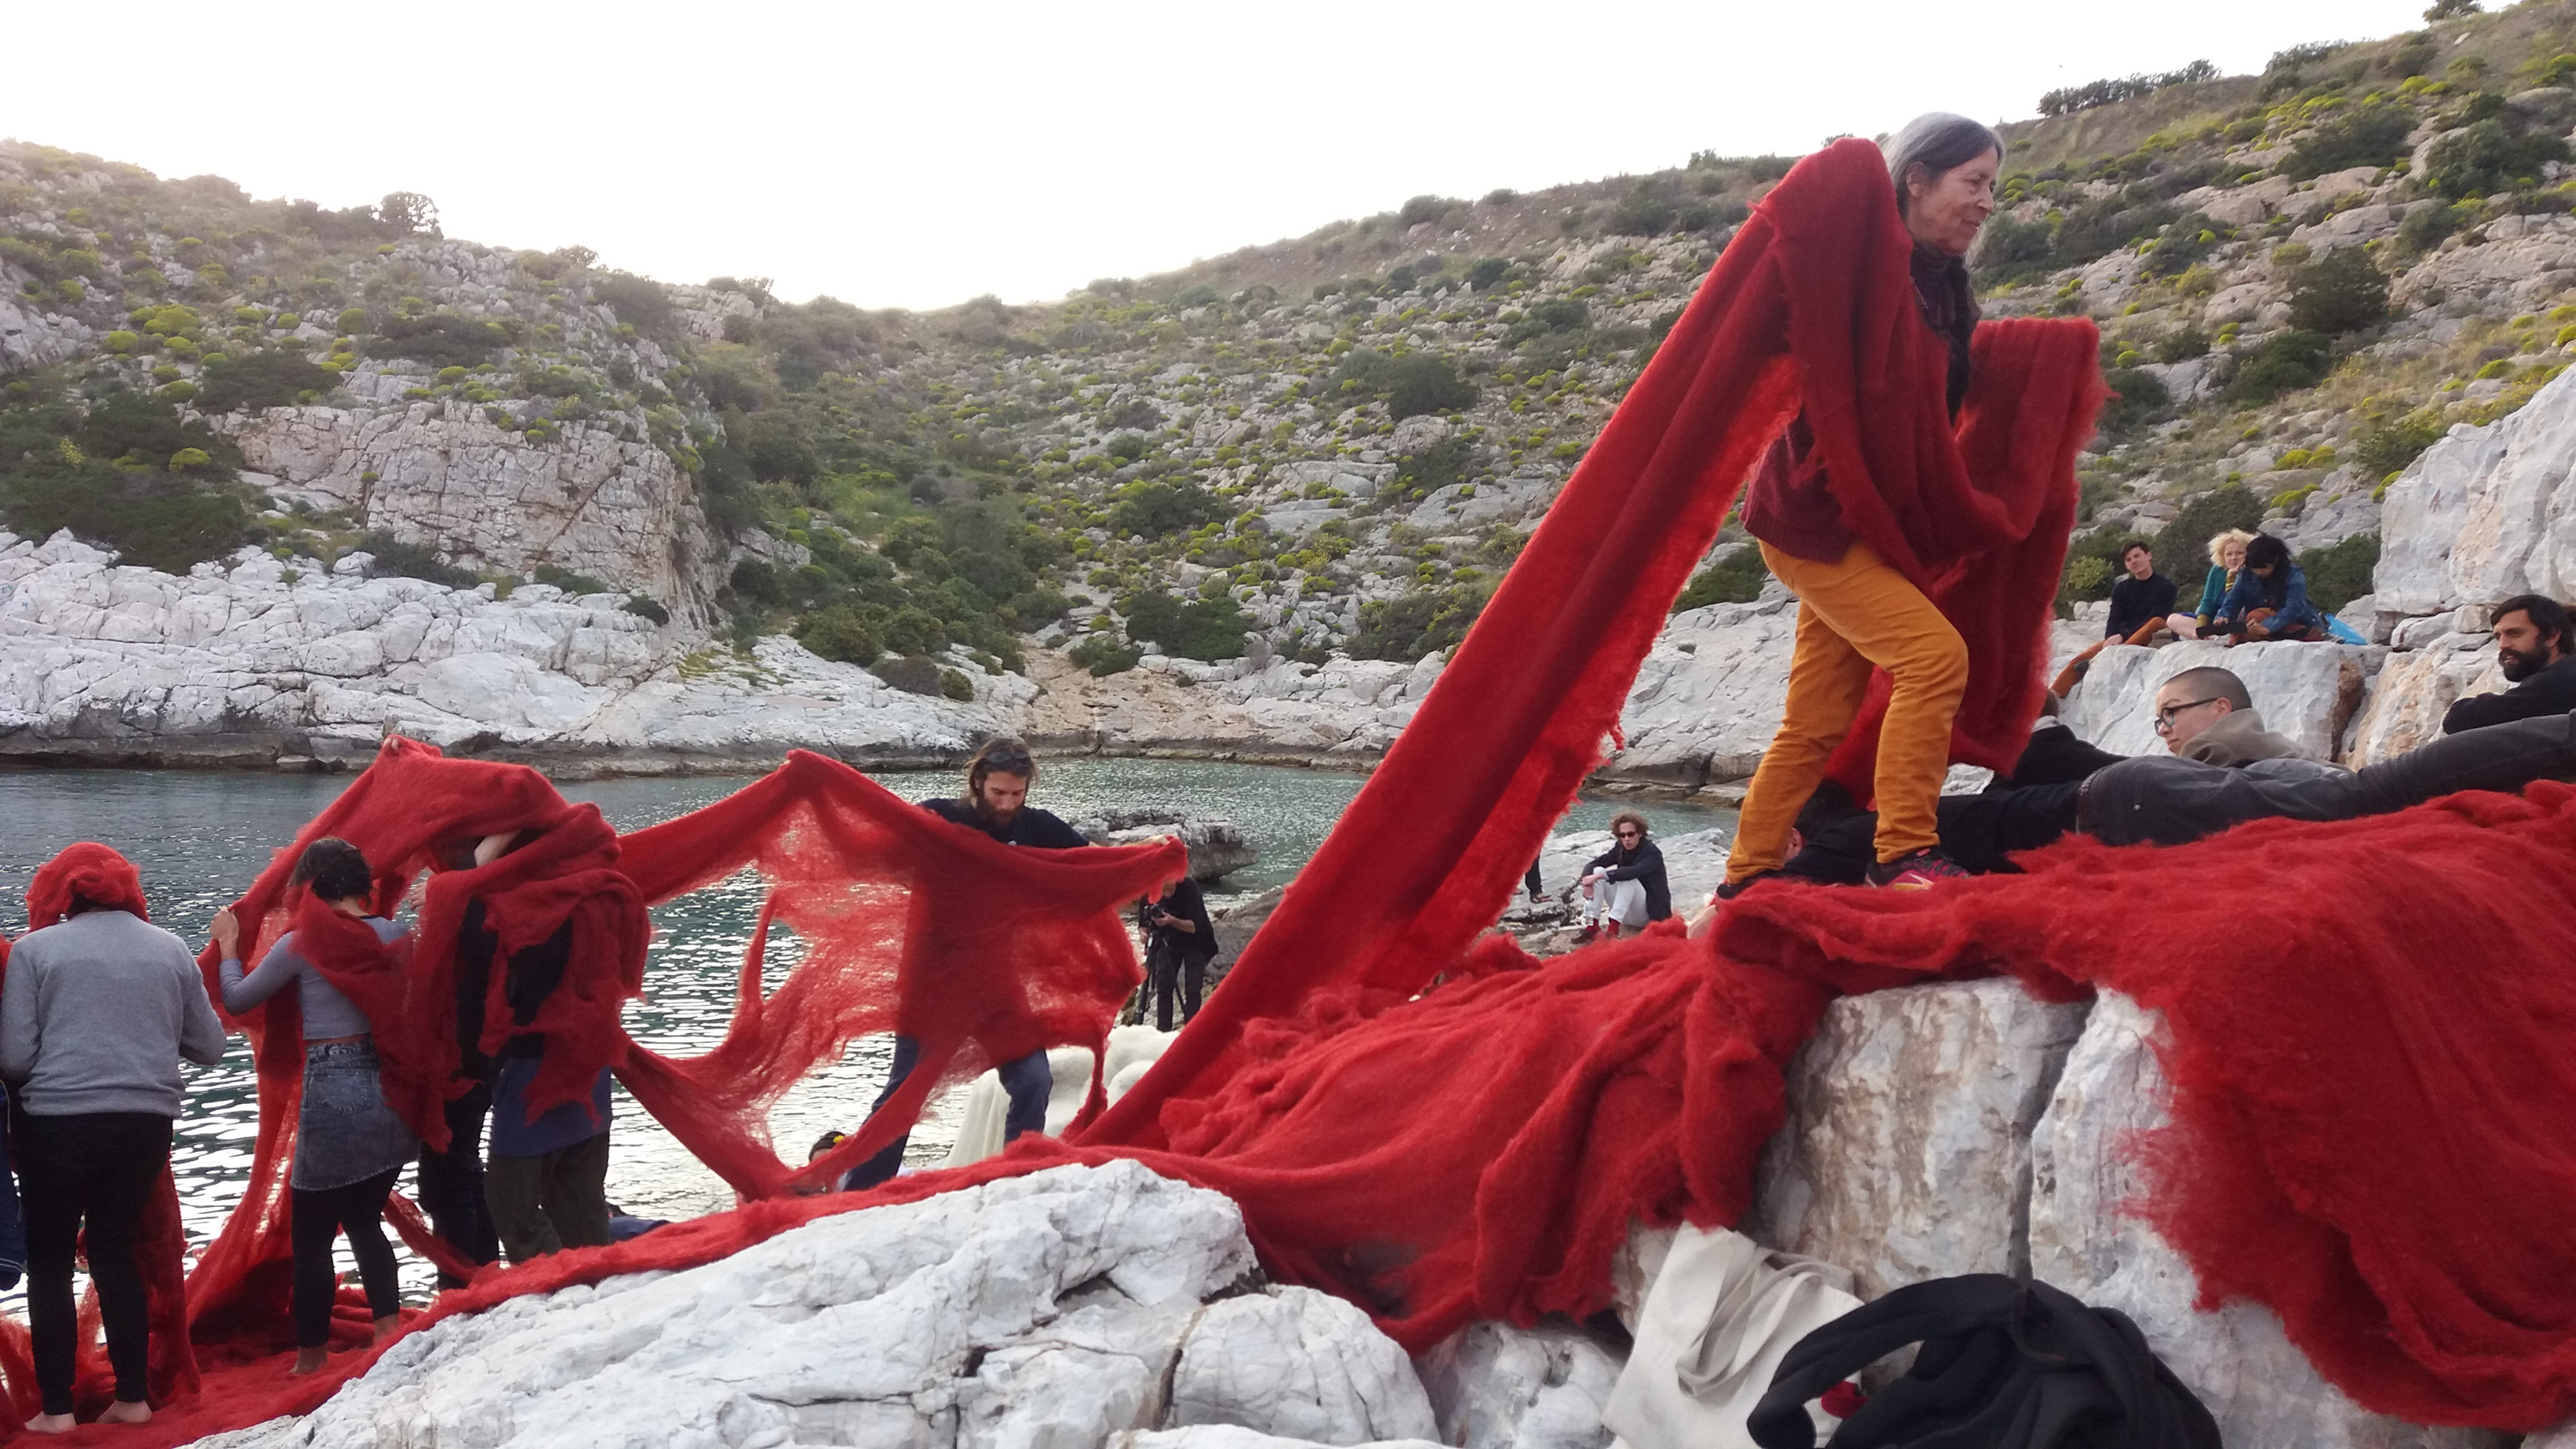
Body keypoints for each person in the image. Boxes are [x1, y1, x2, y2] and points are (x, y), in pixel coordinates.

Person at [1722, 113, 2003, 895]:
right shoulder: (1864, 267)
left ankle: (1747, 875)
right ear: (1915, 178)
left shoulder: (1946, 290)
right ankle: (1905, 850)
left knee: (1816, 718)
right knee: (1933, 658)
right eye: (1973, 182)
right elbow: (1798, 284)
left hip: (1867, 526)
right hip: (1813, 516)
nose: (1986, 202)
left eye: (1993, 189)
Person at [1771, 665, 2576, 879]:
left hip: (2131, 806)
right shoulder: (1920, 815)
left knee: (2380, 796)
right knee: (2379, 798)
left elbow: (1764, 903)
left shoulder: (1847, 845)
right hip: (2133, 795)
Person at [0, 844, 225, 1433]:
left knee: (50, 1261)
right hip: (143, 1127)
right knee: (114, 1254)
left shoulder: (34, 951)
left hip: (55, 1124)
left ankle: (56, 1411)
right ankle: (132, 1399)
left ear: (58, 896)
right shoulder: (171, 949)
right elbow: (210, 1046)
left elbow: (16, 1059)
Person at [211, 838, 414, 1376]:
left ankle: (309, 1360)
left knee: (311, 1235)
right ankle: (389, 1331)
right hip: (392, 1088)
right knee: (366, 1218)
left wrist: (229, 947)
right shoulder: (396, 936)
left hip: (334, 1083)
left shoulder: (301, 944)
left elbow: (237, 1000)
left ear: (312, 888)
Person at [847, 737, 1083, 1191]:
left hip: (996, 981)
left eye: (1017, 794)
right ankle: (859, 1192)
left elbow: (1091, 860)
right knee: (906, 1092)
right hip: (932, 981)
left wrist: (1148, 853)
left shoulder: (1037, 828)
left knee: (1034, 1080)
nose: (1008, 803)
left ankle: (1017, 1178)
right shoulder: (941, 817)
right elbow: (879, 838)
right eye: (999, 793)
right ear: (978, 783)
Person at [472, 830, 615, 1265]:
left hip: (536, 1071)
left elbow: (521, 989)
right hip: (590, 1067)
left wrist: (471, 879)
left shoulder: (529, 913)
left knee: (511, 1203)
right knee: (580, 1197)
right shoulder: (594, 900)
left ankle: (558, 1285)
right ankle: (600, 1280)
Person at [412, 837, 501, 1288]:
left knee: (446, 1182)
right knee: (462, 1171)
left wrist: (442, 891)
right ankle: (480, 1276)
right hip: (477, 1063)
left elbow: (465, 913)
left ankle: (461, 1285)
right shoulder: (502, 909)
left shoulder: (483, 917)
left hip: (465, 1067)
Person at [2444, 593, 2576, 733]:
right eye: (2498, 637)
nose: (2503, 645)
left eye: (2514, 633)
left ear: (2551, 636)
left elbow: (2461, 718)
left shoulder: (2563, 680)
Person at [2212, 534, 2328, 642]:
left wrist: (2268, 626)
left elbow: (2295, 607)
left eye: (2264, 567)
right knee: (2247, 625)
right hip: (2257, 623)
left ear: (2275, 561)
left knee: (2257, 616)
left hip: (2295, 622)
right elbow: (2233, 600)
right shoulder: (2246, 575)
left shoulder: (2293, 575)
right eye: (2255, 568)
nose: (2259, 572)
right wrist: (2223, 617)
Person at [1139, 874, 1218, 1032]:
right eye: (1163, 891)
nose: (1166, 894)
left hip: (1196, 940)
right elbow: (1143, 922)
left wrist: (1171, 920)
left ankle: (1192, 1032)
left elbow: (1193, 927)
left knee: (1192, 989)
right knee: (1163, 987)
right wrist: (1144, 933)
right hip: (1168, 939)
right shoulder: (1149, 889)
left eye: (1170, 889)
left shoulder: (1189, 887)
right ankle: (1163, 1031)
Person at [1577, 813, 1672, 940]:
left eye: (1631, 834)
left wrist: (1599, 876)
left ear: (1640, 834)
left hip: (1649, 915)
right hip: (1626, 913)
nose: (1626, 839)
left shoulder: (1652, 853)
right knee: (1598, 870)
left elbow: (1633, 871)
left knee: (1627, 878)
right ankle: (1592, 925)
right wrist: (1587, 881)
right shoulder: (1620, 848)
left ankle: (1613, 929)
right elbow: (1596, 863)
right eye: (1622, 835)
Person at [2166, 529, 2254, 640]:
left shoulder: (2253, 572)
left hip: (2236, 621)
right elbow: (2207, 601)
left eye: (2239, 553)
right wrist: (2201, 626)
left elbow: (2235, 603)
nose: (2234, 558)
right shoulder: (2217, 571)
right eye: (2229, 554)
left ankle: (2209, 636)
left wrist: (2232, 577)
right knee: (2173, 619)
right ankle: (2204, 635)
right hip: (2214, 621)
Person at [2104, 541, 2176, 643]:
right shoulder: (2121, 589)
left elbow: (2158, 617)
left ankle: (2122, 648)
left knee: (2156, 621)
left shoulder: (2166, 587)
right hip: (2122, 637)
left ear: (2149, 555)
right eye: (2128, 560)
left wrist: (2123, 636)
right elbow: (2114, 619)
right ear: (2126, 565)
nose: (2133, 561)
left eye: (2137, 556)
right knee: (2087, 654)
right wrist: (2110, 638)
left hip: (2150, 634)